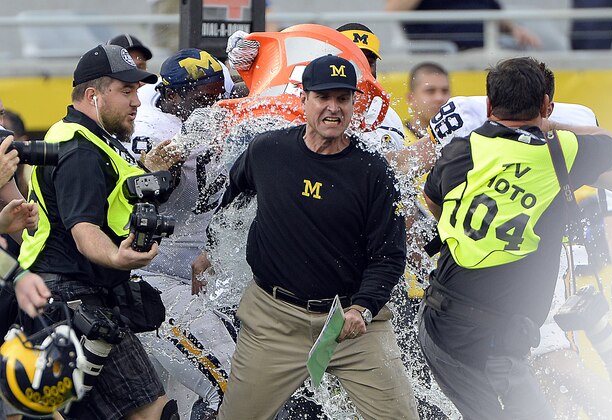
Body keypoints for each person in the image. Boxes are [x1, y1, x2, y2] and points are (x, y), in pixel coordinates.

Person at [418, 56, 612, 419]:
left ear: (488, 105)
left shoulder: (460, 150)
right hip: (488, 336)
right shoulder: (558, 150)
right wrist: (552, 125)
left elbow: (432, 199)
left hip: (441, 319)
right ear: (546, 105)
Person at [215, 55, 418, 420]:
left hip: (351, 325)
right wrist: (209, 251)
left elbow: (388, 256)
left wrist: (364, 307)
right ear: (303, 99)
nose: (333, 108)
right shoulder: (267, 151)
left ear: (353, 104)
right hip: (273, 321)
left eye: (342, 98)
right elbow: (232, 194)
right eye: (323, 97)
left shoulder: (372, 171)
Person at [16, 44, 180, 420]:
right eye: (126, 91)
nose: (137, 101)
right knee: (152, 411)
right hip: (74, 297)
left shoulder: (80, 134)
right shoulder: (80, 150)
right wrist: (117, 257)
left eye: (137, 91)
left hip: (58, 294)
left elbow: (112, 197)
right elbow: (83, 227)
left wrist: (145, 169)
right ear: (93, 95)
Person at [130, 48, 237, 419]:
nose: (213, 103)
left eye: (216, 92)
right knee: (232, 385)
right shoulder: (149, 127)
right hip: (154, 279)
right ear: (172, 96)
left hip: (205, 279)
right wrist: (157, 172)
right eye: (203, 97)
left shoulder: (221, 112)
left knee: (169, 405)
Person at [337, 23, 406, 152]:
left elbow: (396, 169)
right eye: (353, 61)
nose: (362, 69)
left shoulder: (388, 118)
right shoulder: (311, 107)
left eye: (369, 62)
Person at [385, 0, 542, 51]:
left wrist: (514, 28)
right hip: (451, 48)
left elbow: (491, 10)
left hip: (489, 43)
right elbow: (392, 9)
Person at [404, 62, 450, 146]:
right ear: (411, 99)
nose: (439, 98)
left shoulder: (458, 140)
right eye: (430, 91)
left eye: (445, 91)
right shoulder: (398, 140)